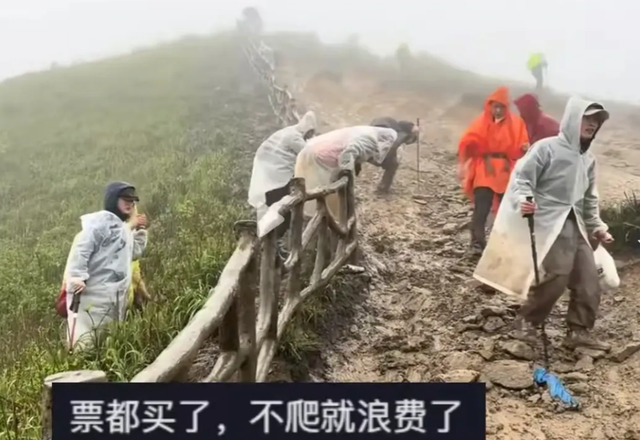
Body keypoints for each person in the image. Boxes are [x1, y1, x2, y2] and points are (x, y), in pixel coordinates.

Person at [474, 97, 612, 351]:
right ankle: (527, 322)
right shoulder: (545, 148)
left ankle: (578, 332)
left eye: (596, 121)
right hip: (547, 222)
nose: (592, 125)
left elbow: (589, 198)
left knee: (588, 278)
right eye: (587, 118)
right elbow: (522, 179)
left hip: (575, 225)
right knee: (557, 275)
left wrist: (598, 226)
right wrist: (525, 200)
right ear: (572, 119)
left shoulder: (588, 160)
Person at [64, 181, 148, 350]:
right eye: (125, 199)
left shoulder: (122, 230)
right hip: (92, 298)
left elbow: (134, 252)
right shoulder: (99, 225)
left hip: (113, 300)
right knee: (85, 342)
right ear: (112, 200)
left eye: (132, 201)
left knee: (109, 343)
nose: (130, 204)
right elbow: (81, 250)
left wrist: (140, 230)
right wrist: (77, 277)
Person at [458, 86, 530, 255]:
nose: (497, 110)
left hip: (505, 170)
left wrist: (524, 148)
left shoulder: (516, 123)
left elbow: (522, 144)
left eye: (501, 107)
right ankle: (477, 244)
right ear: (490, 106)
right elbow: (468, 139)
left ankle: (505, 243)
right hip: (484, 168)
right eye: (495, 106)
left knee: (507, 208)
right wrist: (470, 145)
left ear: (506, 107)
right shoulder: (481, 121)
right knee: (481, 208)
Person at [248, 111, 317, 256]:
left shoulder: (288, 132)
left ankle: (270, 245)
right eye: (309, 133)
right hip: (274, 177)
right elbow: (309, 153)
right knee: (281, 213)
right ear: (306, 130)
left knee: (274, 211)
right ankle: (269, 246)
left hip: (270, 175)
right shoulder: (294, 138)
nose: (309, 137)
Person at [294, 125, 398, 219]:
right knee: (325, 190)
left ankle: (313, 217)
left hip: (311, 149)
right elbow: (348, 154)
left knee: (311, 186)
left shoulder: (364, 131)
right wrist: (346, 174)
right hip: (322, 156)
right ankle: (324, 220)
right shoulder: (370, 140)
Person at [369, 117, 420, 194]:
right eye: (409, 142)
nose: (407, 143)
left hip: (371, 131)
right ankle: (383, 188)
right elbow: (393, 146)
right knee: (393, 164)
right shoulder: (403, 134)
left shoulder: (396, 126)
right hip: (381, 135)